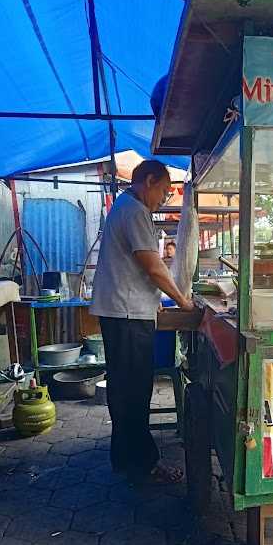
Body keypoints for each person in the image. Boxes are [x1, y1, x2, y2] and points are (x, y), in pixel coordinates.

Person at [90, 160, 194, 484]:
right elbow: (153, 267)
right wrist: (183, 302)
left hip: (123, 311)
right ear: (148, 181)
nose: (164, 197)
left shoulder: (126, 207)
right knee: (133, 390)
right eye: (163, 190)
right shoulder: (135, 210)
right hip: (126, 314)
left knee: (125, 389)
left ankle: (124, 458)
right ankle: (144, 463)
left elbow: (148, 268)